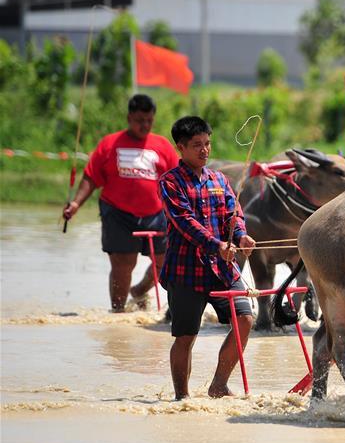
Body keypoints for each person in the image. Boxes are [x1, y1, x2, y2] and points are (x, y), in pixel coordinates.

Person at [158, 116, 256, 400]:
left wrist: (240, 236)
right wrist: (216, 245)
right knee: (186, 337)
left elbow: (232, 214)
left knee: (245, 319)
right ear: (181, 147)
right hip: (185, 269)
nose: (205, 150)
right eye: (197, 145)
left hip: (222, 268)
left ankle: (219, 384)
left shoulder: (219, 179)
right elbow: (184, 221)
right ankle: (182, 398)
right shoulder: (170, 183)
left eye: (207, 144)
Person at [62, 93, 179, 312]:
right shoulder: (110, 144)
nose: (144, 125)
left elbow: (177, 181)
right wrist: (76, 203)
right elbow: (91, 176)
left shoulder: (163, 146)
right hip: (118, 214)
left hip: (156, 214)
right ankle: (117, 313)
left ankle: (140, 290)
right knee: (124, 265)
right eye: (139, 121)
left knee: (166, 261)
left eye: (149, 121)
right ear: (129, 118)